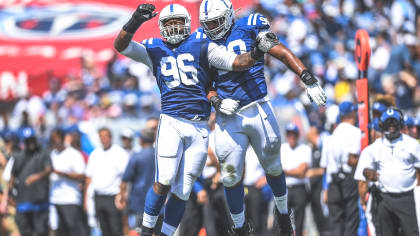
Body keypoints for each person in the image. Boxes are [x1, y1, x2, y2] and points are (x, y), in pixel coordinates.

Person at [114, 3, 263, 236]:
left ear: (187, 24)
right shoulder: (154, 48)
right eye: (169, 23)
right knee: (163, 179)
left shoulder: (202, 44)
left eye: (177, 22)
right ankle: (145, 231)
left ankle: (164, 233)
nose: (173, 28)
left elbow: (236, 62)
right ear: (162, 27)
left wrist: (257, 52)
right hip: (171, 120)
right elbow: (121, 46)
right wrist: (135, 21)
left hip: (200, 126)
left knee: (183, 190)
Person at [199, 0, 326, 235]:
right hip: (229, 115)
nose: (212, 28)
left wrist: (306, 77)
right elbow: (204, 83)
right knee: (230, 175)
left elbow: (281, 51)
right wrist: (216, 101)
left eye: (216, 22)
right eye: (207, 24)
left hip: (258, 107)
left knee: (274, 167)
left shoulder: (249, 26)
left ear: (228, 16)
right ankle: (238, 226)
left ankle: (283, 213)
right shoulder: (203, 40)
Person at [354, 107, 420, 236]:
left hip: (407, 197)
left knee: (412, 232)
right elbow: (364, 169)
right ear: (381, 125)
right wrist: (369, 173)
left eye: (394, 122)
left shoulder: (412, 145)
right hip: (385, 198)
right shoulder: (374, 148)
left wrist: (418, 191)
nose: (391, 126)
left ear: (400, 124)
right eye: (388, 123)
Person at [0, 128, 51, 236]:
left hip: (40, 203)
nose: (31, 143)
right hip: (23, 203)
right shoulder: (18, 157)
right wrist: (6, 199)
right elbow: (11, 178)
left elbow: (49, 169)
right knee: (24, 232)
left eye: (32, 139)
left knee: (41, 232)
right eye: (28, 140)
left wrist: (36, 177)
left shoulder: (43, 153)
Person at [324, 101, 361, 236]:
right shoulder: (356, 132)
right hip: (349, 179)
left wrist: (326, 188)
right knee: (351, 218)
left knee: (336, 221)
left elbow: (326, 166)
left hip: (333, 181)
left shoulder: (331, 136)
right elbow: (352, 160)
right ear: (352, 114)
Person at [84, 127, 129, 236]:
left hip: (113, 197)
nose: (103, 139)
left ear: (111, 137)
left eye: (105, 136)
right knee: (103, 229)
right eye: (101, 137)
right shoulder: (95, 154)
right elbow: (88, 178)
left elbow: (125, 177)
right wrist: (86, 199)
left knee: (115, 229)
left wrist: (122, 195)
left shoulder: (119, 153)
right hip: (98, 197)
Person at [116, 127, 156, 234]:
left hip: (139, 201)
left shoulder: (137, 156)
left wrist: (121, 195)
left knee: (140, 231)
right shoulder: (159, 156)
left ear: (141, 140)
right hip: (157, 200)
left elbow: (125, 179)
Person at [49, 128, 87, 236]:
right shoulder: (52, 154)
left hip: (70, 199)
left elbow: (81, 175)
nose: (55, 143)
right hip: (54, 198)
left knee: (73, 230)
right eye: (53, 140)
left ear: (62, 139)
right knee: (59, 231)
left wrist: (62, 173)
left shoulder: (74, 154)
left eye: (56, 140)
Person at [280, 123, 311, 236]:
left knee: (300, 221)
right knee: (282, 220)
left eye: (294, 134)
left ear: (297, 135)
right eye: (289, 134)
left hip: (299, 189)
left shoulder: (304, 148)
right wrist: (295, 172)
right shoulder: (282, 148)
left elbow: (302, 171)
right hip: (285, 188)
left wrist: (285, 171)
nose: (291, 137)